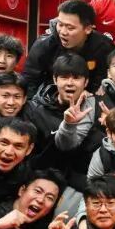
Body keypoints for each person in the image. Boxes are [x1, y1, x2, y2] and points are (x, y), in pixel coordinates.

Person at [25, 53, 98, 211]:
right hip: (40, 182)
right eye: (64, 77)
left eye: (76, 78)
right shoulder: (34, 110)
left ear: (86, 82)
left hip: (81, 186)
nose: (70, 83)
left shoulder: (97, 109)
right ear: (55, 79)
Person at [22, 0, 115, 93]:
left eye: (70, 28)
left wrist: (92, 97)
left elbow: (106, 82)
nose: (63, 32)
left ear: (88, 29)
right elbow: (29, 83)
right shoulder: (44, 45)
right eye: (60, 24)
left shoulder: (104, 47)